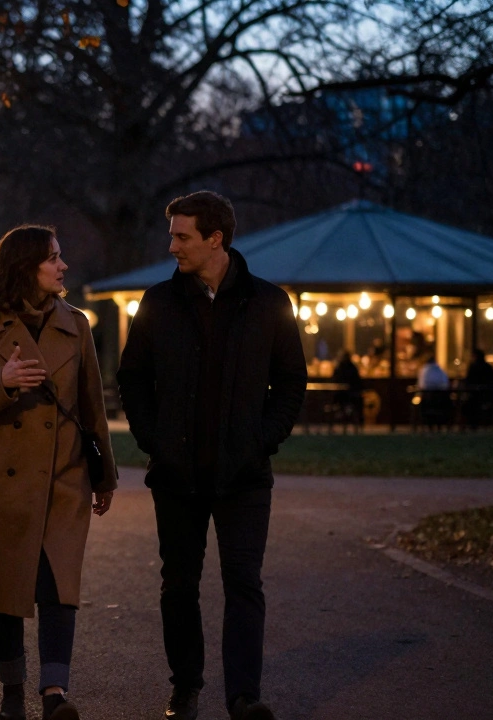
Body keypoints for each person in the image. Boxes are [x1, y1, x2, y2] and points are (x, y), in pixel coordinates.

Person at [117, 191, 306, 720]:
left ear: (215, 238)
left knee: (244, 582)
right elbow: (132, 376)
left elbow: (291, 380)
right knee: (178, 584)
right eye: (172, 234)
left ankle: (244, 696)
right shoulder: (159, 300)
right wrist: (154, 438)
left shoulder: (269, 302)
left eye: (182, 235)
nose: (171, 244)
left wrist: (262, 439)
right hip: (177, 473)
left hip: (244, 474)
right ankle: (186, 686)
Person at [0, 224, 118, 720]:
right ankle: (12, 693)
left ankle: (54, 694)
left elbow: (92, 407)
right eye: (54, 258)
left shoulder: (76, 324)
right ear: (26, 266)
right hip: (1, 479)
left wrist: (104, 475)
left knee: (58, 584)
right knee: (5, 586)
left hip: (64, 474)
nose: (63, 266)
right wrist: (1, 381)